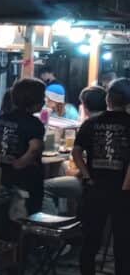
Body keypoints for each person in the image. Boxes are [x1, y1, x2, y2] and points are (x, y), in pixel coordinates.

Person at [72, 78, 130, 275]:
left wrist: (88, 177)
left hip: (95, 190)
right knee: (123, 248)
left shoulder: (91, 123)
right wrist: (125, 187)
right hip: (123, 194)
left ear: (108, 99)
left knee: (90, 244)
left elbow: (76, 152)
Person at [43, 86, 107, 215]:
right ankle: (73, 216)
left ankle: (52, 226)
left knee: (43, 187)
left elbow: (76, 153)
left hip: (92, 183)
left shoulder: (89, 124)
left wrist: (85, 175)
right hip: (114, 185)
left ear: (84, 105)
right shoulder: (122, 122)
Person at [0, 78, 46, 215]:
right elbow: (35, 148)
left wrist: (0, 159)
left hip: (3, 175)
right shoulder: (34, 123)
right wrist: (20, 163)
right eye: (42, 97)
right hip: (27, 178)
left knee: (5, 213)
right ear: (34, 100)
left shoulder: (3, 118)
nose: (44, 101)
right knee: (29, 214)